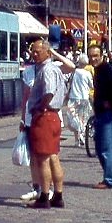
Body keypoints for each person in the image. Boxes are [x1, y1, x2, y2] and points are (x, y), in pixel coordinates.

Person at [23, 40, 68, 208]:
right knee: (53, 157)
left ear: (47, 52)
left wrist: (41, 108)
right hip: (53, 116)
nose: (34, 54)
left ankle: (44, 197)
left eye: (37, 52)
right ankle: (58, 195)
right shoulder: (54, 69)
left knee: (42, 159)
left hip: (45, 116)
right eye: (32, 51)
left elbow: (48, 91)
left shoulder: (47, 70)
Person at [87, 44, 112, 189]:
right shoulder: (100, 69)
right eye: (91, 56)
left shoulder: (105, 69)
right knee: (102, 145)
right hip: (103, 112)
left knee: (105, 146)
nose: (93, 58)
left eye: (96, 55)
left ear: (101, 55)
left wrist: (110, 103)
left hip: (107, 113)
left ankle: (109, 179)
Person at [63, 53, 93, 147]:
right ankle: (81, 135)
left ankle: (77, 139)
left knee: (73, 118)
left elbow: (69, 83)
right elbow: (91, 85)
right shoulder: (87, 73)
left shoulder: (74, 72)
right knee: (82, 119)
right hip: (84, 98)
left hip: (73, 97)